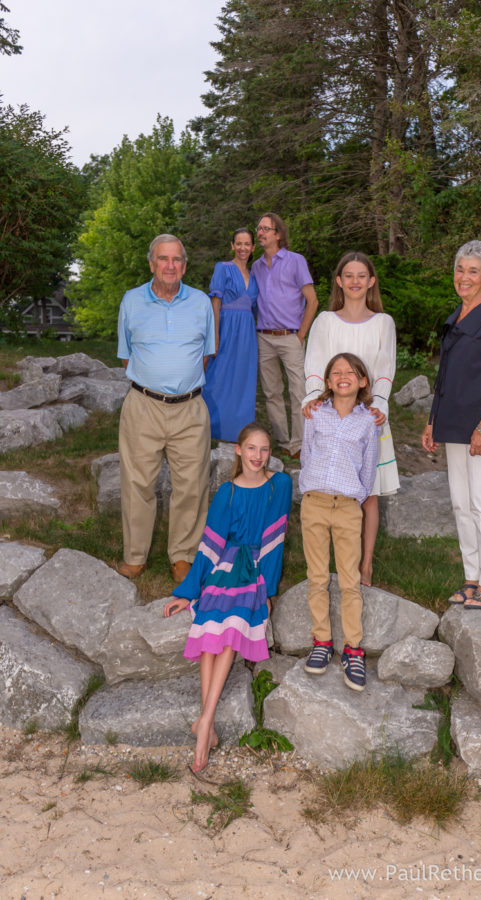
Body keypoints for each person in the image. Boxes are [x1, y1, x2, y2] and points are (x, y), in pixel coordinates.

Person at [163, 422, 292, 772]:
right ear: (238, 450)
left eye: (265, 450)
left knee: (232, 625)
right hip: (224, 565)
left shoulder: (278, 485)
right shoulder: (227, 493)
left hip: (254, 567)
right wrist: (187, 591)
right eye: (251, 448)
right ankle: (207, 722)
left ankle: (204, 722)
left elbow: (275, 540)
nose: (258, 456)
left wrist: (266, 588)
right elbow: (209, 545)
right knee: (209, 625)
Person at [421, 240, 481, 610]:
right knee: (461, 504)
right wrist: (432, 420)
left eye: (473, 271)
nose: (464, 277)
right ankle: (471, 578)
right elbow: (446, 376)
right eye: (460, 269)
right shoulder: (454, 316)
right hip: (453, 422)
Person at [116, 234, 215, 584]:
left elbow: (204, 354)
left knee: (191, 485)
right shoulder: (131, 301)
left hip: (190, 409)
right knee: (137, 483)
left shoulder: (202, 303)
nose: (170, 266)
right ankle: (135, 556)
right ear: (151, 263)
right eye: (163, 259)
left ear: (184, 265)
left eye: (176, 259)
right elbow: (127, 354)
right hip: (143, 405)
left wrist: (180, 381)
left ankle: (183, 556)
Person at [303, 251, 399, 586]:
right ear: (339, 281)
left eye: (362, 275)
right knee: (327, 490)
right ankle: (328, 566)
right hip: (330, 414)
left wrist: (381, 406)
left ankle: (365, 566)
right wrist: (312, 400)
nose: (355, 281)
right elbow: (315, 366)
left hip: (368, 414)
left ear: (371, 281)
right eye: (349, 275)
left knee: (367, 492)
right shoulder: (325, 321)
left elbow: (385, 369)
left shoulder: (383, 323)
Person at [300, 353, 379, 692]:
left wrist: (354, 499)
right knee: (317, 576)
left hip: (348, 506)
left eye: (350, 372)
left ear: (362, 381)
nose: (343, 376)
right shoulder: (315, 414)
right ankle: (321, 641)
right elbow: (306, 454)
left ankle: (353, 648)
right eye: (336, 372)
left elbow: (369, 468)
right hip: (315, 503)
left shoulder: (368, 422)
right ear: (328, 382)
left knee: (349, 580)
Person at [253, 212, 318, 458]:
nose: (260, 232)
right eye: (259, 228)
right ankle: (282, 441)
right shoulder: (256, 266)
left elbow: (312, 300)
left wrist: (300, 335)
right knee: (271, 392)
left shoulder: (295, 261)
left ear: (278, 234)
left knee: (298, 391)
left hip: (291, 336)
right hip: (264, 337)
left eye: (266, 228)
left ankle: (300, 444)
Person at [203, 228, 259, 441]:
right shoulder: (223, 268)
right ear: (232, 245)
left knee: (243, 379)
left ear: (253, 247)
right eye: (239, 243)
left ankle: (239, 430)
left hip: (246, 333)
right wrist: (215, 336)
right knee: (218, 376)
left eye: (247, 244)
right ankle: (211, 426)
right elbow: (215, 303)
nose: (243, 248)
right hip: (226, 327)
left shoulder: (254, 276)